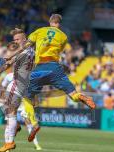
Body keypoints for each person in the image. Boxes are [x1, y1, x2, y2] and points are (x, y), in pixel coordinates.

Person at [21, 14, 96, 142]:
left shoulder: (39, 31)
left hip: (40, 68)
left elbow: (26, 45)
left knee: (27, 98)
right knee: (73, 94)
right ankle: (82, 96)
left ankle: (34, 124)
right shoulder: (63, 36)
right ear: (59, 24)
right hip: (55, 68)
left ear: (50, 22)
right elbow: (58, 51)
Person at [0, 28, 36, 152]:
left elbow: (11, 60)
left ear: (25, 39)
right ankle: (16, 126)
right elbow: (11, 62)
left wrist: (9, 59)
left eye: (18, 39)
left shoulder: (24, 51)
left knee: (10, 112)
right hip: (24, 84)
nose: (16, 41)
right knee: (1, 102)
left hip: (17, 83)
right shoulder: (30, 51)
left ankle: (10, 142)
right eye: (14, 40)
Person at [1, 72, 42, 152]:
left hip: (21, 100)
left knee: (26, 122)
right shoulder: (9, 76)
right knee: (11, 123)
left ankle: (36, 144)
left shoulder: (26, 76)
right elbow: (3, 87)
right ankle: (8, 145)